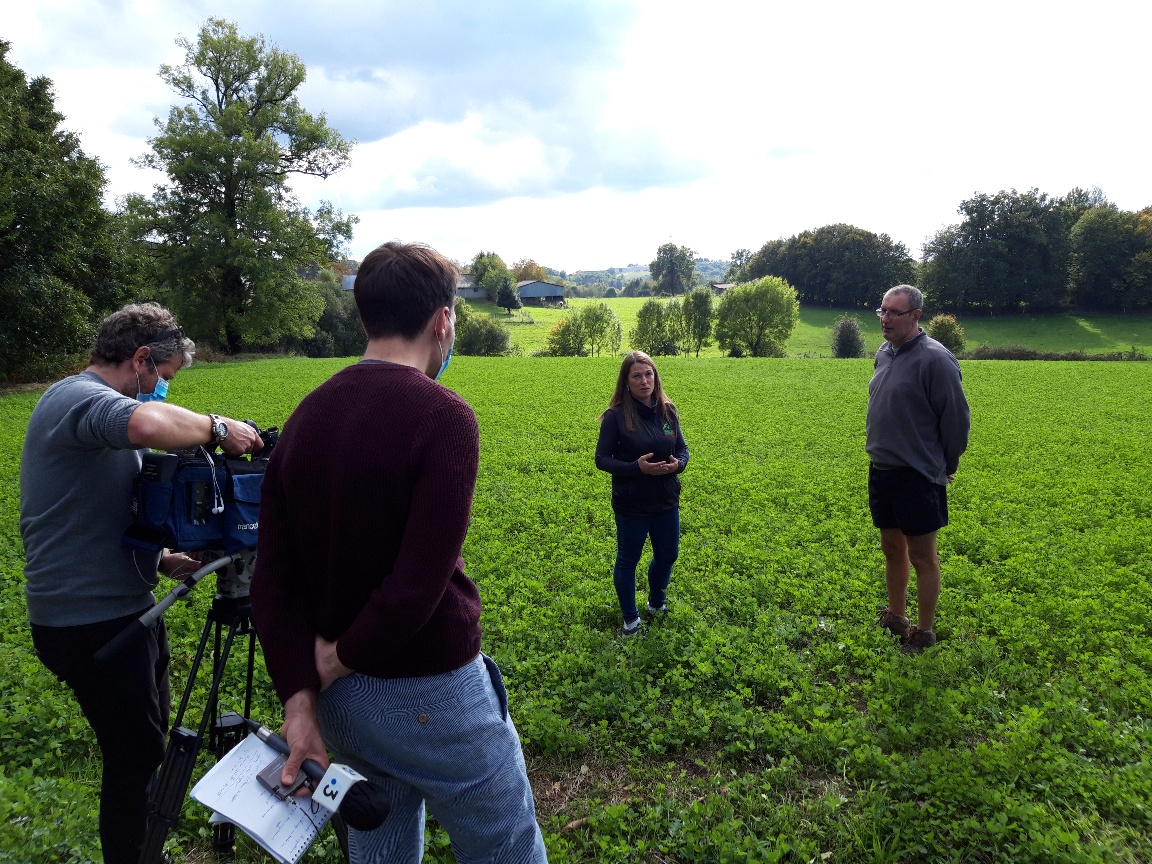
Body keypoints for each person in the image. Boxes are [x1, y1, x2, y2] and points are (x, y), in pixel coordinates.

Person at [249, 241, 547, 863]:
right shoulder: (444, 417)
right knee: (506, 848)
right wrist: (336, 662)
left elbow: (273, 581)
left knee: (379, 842)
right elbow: (417, 588)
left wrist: (300, 698)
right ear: (443, 321)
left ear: (365, 319)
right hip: (429, 694)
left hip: (342, 708)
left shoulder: (305, 418)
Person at [19, 302, 262, 864]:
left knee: (145, 743)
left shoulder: (97, 418)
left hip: (129, 609)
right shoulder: (77, 400)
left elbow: (85, 514)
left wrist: (160, 560)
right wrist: (220, 429)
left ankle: (142, 846)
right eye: (164, 379)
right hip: (88, 624)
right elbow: (149, 425)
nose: (161, 393)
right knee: (134, 753)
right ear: (141, 360)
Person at [867, 285, 970, 654]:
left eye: (895, 313)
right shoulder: (884, 352)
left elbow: (956, 421)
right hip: (882, 468)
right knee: (892, 548)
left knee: (923, 556)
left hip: (917, 474)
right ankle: (897, 616)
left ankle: (923, 631)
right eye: (882, 311)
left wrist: (948, 464)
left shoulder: (936, 360)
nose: (885, 319)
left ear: (916, 316)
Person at [594, 351, 690, 636]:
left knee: (668, 555)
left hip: (666, 500)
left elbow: (683, 449)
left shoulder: (668, 411)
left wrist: (678, 464)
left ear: (655, 377)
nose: (644, 380)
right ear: (626, 381)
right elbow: (602, 459)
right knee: (628, 560)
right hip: (632, 503)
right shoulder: (615, 416)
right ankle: (631, 620)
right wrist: (637, 468)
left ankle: (656, 604)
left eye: (648, 374)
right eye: (636, 375)